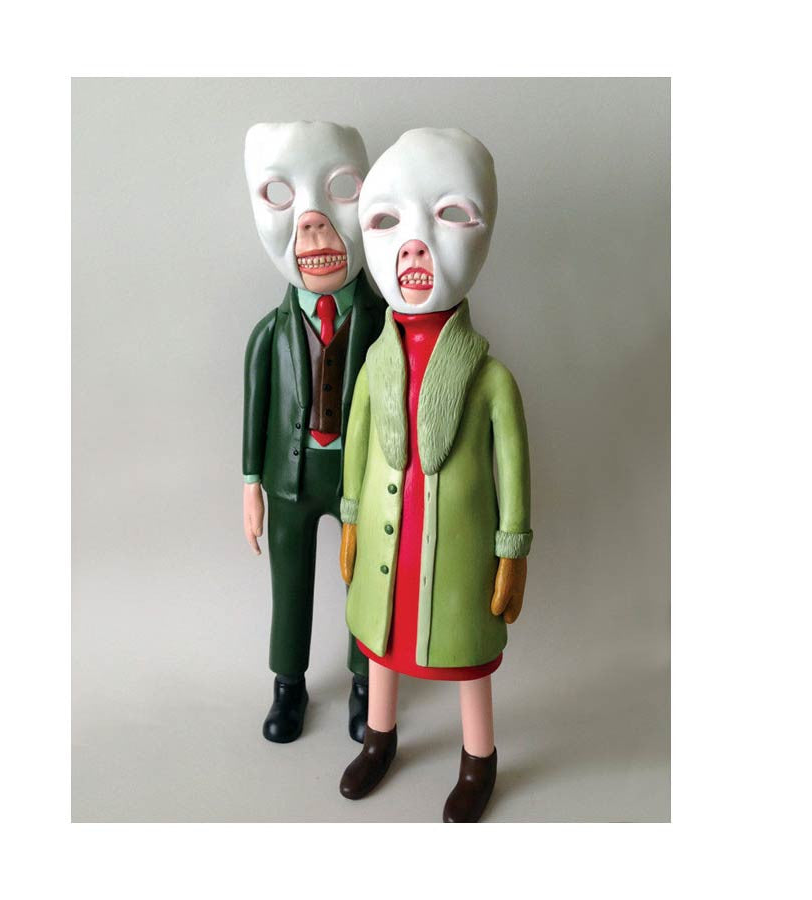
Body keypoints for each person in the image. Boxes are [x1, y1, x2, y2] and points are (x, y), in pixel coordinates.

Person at [337, 128, 533, 821]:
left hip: (457, 554)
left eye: (448, 215)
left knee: (466, 656)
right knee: (382, 638)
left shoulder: (491, 379)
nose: (413, 247)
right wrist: (352, 516)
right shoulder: (374, 365)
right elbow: (358, 445)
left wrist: (512, 549)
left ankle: (479, 758)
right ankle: (380, 737)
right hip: (384, 545)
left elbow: (514, 468)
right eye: (388, 222)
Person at [242, 121, 387, 743]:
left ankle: (365, 683)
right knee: (290, 585)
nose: (313, 224)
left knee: (368, 583)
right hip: (290, 482)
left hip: (363, 483)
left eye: (340, 191)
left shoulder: (387, 325)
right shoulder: (269, 335)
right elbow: (255, 412)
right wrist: (251, 484)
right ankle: (288, 685)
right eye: (282, 197)